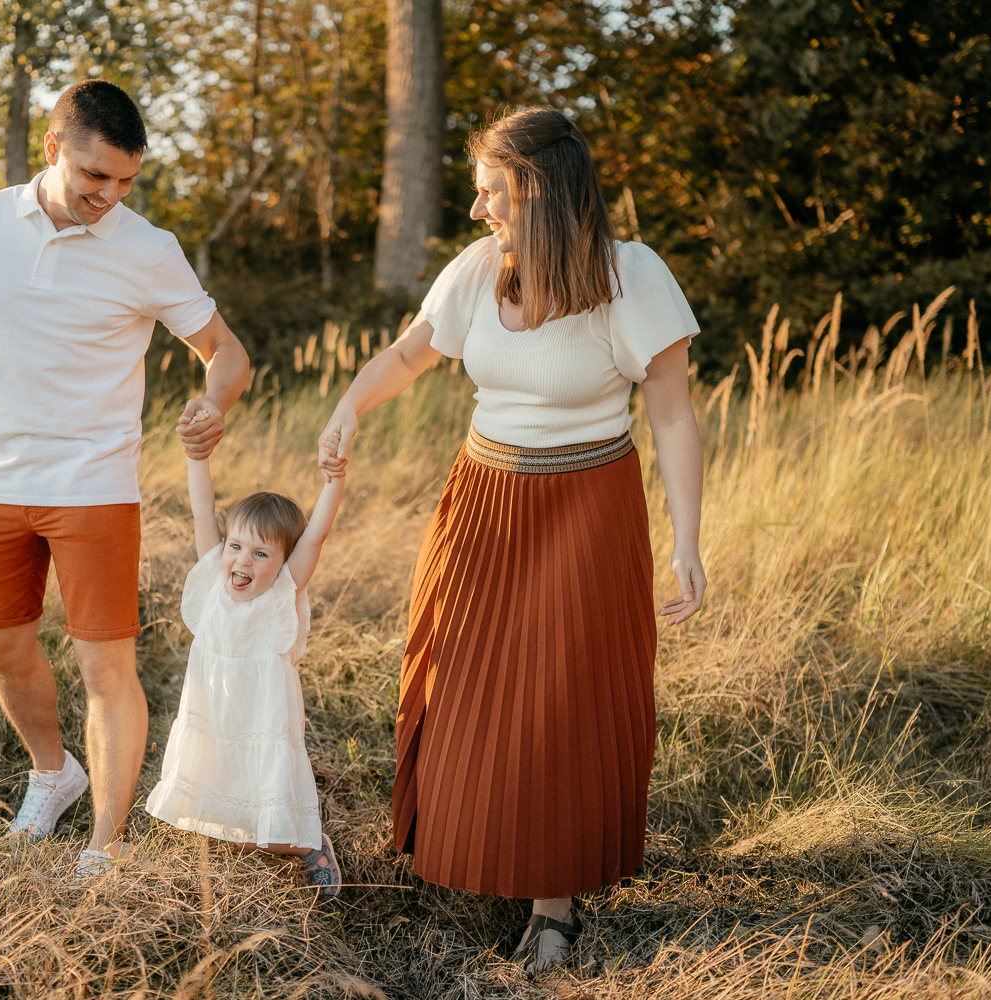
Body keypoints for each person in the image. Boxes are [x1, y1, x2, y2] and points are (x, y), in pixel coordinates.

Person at [318, 107, 707, 970]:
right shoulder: (475, 270)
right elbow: (409, 356)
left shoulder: (631, 276)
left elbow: (672, 415)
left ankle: (552, 905)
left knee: (558, 697)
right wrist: (349, 406)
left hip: (587, 510)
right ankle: (459, 847)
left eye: (490, 189)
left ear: (537, 190)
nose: (475, 208)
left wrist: (687, 538)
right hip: (482, 499)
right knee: (454, 670)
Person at [0, 79, 249, 877]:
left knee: (105, 668)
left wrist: (215, 400)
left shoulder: (148, 248)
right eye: (95, 178)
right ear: (53, 150)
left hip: (95, 485)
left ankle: (105, 845)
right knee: (1, 647)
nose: (109, 196)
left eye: (126, 181)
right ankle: (55, 772)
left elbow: (227, 351)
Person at [144, 414, 346, 897]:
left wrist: (334, 481)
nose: (241, 561)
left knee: (270, 826)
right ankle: (243, 834)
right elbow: (201, 513)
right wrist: (197, 459)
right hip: (214, 711)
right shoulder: (216, 575)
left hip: (262, 715)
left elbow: (315, 535)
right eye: (237, 546)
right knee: (204, 814)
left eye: (261, 554)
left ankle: (311, 846)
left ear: (281, 565)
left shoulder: (282, 592)